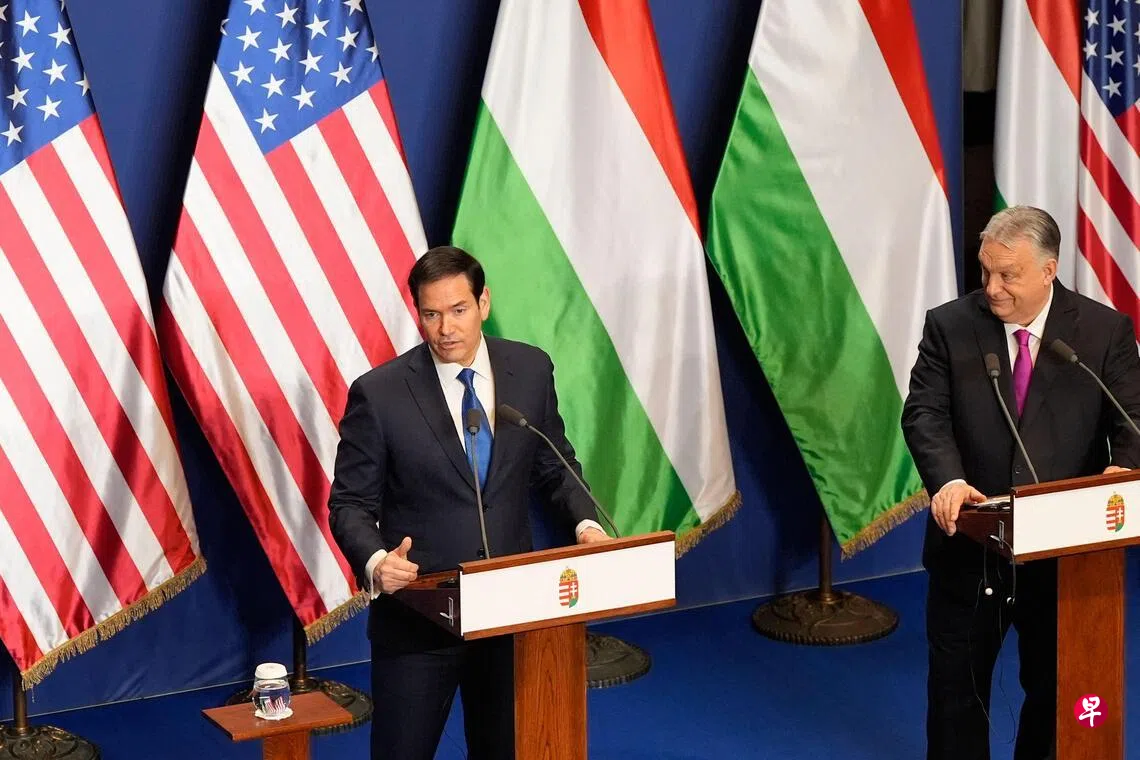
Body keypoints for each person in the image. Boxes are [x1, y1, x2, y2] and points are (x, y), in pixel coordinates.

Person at [328, 245, 608, 760]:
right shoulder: (380, 394)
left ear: (484, 302)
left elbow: (555, 465)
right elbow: (348, 504)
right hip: (420, 618)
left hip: (511, 612)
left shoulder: (529, 369)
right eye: (431, 314)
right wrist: (377, 561)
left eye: (458, 310)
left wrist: (586, 524)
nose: (445, 329)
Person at [901, 205, 1140, 760]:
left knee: (1056, 691)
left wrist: (1123, 470)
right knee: (957, 695)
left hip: (1063, 555)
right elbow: (924, 414)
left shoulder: (1102, 332)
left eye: (1007, 275)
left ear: (1048, 270)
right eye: (985, 270)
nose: (992, 287)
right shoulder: (950, 325)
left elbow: (1133, 419)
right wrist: (949, 480)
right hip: (972, 540)